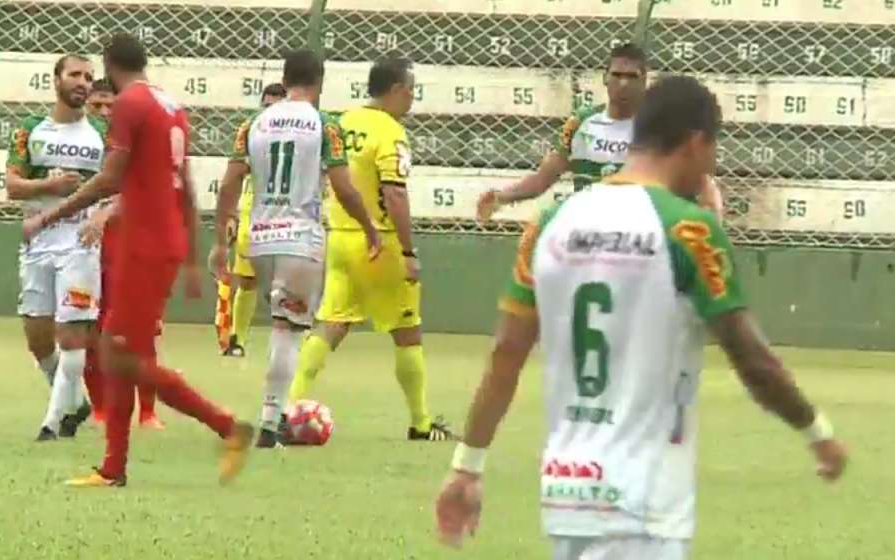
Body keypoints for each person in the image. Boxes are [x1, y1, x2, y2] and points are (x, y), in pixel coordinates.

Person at [435, 75, 848, 559]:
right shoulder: (689, 229)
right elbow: (753, 360)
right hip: (642, 502)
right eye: (713, 152)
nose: (711, 167)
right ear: (696, 143)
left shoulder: (550, 224)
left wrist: (468, 465)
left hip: (567, 494)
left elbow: (506, 353)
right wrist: (816, 432)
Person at [23, 32, 254, 487]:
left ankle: (227, 426)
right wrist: (189, 252)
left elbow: (110, 178)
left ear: (109, 65)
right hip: (161, 238)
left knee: (117, 354)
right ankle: (114, 467)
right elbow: (184, 182)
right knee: (127, 350)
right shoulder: (170, 106)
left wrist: (51, 215)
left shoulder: (130, 104)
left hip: (143, 240)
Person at [211, 50, 380, 448]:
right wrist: (369, 227)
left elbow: (230, 183)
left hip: (261, 238)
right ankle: (270, 423)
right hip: (301, 238)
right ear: (319, 82)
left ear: (285, 80)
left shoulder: (253, 123)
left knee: (274, 315)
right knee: (286, 332)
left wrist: (220, 242)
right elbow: (342, 186)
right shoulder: (324, 124)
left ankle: (272, 419)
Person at [287, 56, 455, 442]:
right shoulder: (390, 131)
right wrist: (408, 253)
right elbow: (394, 192)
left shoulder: (342, 122)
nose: (412, 98)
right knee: (407, 330)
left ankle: (288, 406)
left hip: (341, 238)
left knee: (331, 323)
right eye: (411, 90)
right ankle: (422, 422)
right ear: (396, 90)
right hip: (380, 242)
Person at [476, 43, 724, 221]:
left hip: (645, 233)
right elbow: (544, 178)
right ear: (605, 78)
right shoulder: (582, 123)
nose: (623, 83)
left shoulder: (659, 126)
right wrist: (502, 197)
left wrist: (710, 209)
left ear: (644, 80)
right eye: (616, 75)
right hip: (590, 232)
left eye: (632, 77)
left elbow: (697, 179)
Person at [5, 53, 102, 441]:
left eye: (89, 77)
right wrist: (49, 186)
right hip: (38, 241)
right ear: (56, 80)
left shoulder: (103, 132)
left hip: (80, 243)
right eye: (75, 75)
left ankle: (51, 423)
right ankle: (75, 402)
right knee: (37, 337)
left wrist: (103, 215)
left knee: (72, 334)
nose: (83, 82)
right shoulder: (31, 129)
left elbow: (124, 184)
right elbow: (12, 186)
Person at [80, 77, 163, 429]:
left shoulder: (134, 142)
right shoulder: (78, 141)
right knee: (88, 327)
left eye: (109, 106)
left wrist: (110, 209)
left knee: (138, 329)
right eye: (95, 105)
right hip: (83, 246)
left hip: (129, 243)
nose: (102, 112)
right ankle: (99, 407)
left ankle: (147, 411)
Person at [216, 82, 288, 358]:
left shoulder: (302, 132)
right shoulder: (250, 130)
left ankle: (294, 339)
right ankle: (237, 339)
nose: (270, 112)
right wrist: (231, 214)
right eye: (266, 106)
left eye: (277, 106)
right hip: (254, 211)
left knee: (290, 279)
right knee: (247, 280)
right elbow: (234, 175)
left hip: (289, 212)